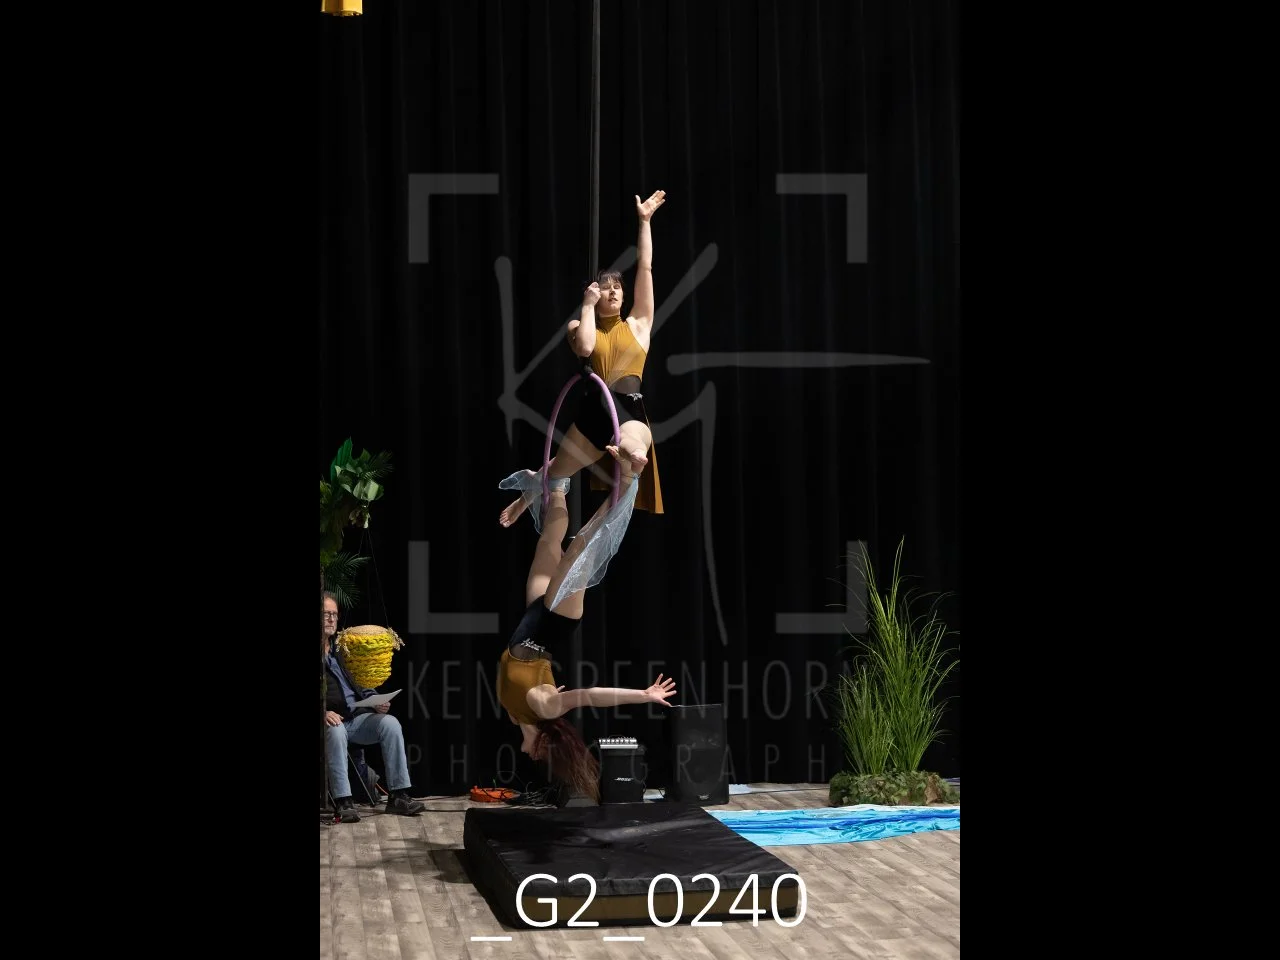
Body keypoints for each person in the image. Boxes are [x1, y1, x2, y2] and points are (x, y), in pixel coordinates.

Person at [497, 472, 678, 802]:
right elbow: (590, 696)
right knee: (581, 550)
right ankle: (624, 487)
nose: (531, 756)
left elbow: (525, 685)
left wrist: (545, 683)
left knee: (548, 542)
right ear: (544, 743)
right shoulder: (546, 708)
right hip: (555, 621)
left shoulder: (516, 714)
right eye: (541, 755)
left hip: (532, 619)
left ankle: (557, 487)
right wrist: (644, 694)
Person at [499, 189, 668, 535]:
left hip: (628, 405)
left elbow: (646, 267)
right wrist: (587, 306)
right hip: (594, 411)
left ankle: (632, 456)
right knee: (556, 472)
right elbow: (587, 347)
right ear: (593, 293)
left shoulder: (639, 324)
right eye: (605, 287)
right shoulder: (579, 325)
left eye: (617, 286)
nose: (614, 291)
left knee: (635, 442)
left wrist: (645, 222)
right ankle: (528, 495)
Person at [321, 592, 425, 821]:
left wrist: (376, 701)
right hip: (330, 722)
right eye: (326, 614)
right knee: (336, 730)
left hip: (355, 718)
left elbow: (361, 682)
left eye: (334, 615)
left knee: (390, 724)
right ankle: (344, 802)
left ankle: (398, 796)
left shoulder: (343, 650)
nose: (331, 619)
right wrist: (323, 713)